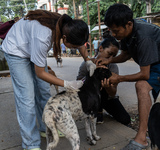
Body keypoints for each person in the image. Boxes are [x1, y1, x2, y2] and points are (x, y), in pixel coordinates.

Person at [2, 10, 95, 150]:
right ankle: (30, 143)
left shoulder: (68, 25)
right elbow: (40, 73)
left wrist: (87, 60)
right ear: (64, 37)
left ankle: (46, 129)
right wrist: (67, 84)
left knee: (44, 91)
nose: (76, 49)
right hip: (17, 51)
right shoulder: (43, 36)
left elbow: (80, 42)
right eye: (74, 47)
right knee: (26, 98)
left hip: (32, 47)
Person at [95, 3, 160, 150]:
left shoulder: (144, 36)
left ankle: (142, 139)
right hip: (155, 63)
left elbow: (144, 74)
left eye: (116, 31)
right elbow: (126, 54)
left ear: (129, 24)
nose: (114, 35)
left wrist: (119, 78)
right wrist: (109, 60)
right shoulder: (127, 33)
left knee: (142, 85)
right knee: (158, 99)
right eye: (111, 31)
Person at [77, 35, 131, 125]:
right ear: (101, 48)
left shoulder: (113, 66)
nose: (111, 58)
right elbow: (78, 85)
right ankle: (97, 111)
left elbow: (113, 93)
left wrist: (108, 87)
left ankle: (101, 108)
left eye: (114, 56)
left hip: (107, 98)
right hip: (90, 98)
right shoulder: (86, 64)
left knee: (125, 119)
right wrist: (93, 73)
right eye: (109, 54)